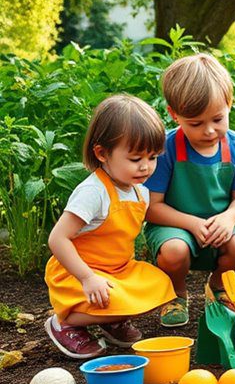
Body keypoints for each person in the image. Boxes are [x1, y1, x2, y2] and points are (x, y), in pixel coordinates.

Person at [45, 95, 175, 359]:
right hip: (79, 274)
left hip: (118, 271)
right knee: (116, 299)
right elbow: (57, 239)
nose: (146, 166)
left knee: (159, 285)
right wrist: (87, 277)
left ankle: (110, 321)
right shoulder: (94, 191)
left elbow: (153, 216)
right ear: (102, 153)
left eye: (152, 157)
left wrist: (198, 223)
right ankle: (64, 322)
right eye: (136, 158)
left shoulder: (139, 191)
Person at [145, 54, 235, 327]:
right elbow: (152, 207)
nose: (209, 131)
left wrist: (229, 218)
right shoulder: (167, 148)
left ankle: (218, 285)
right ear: (174, 114)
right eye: (195, 123)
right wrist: (193, 223)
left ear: (229, 104)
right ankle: (175, 292)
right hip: (176, 226)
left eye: (218, 119)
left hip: (222, 225)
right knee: (174, 251)